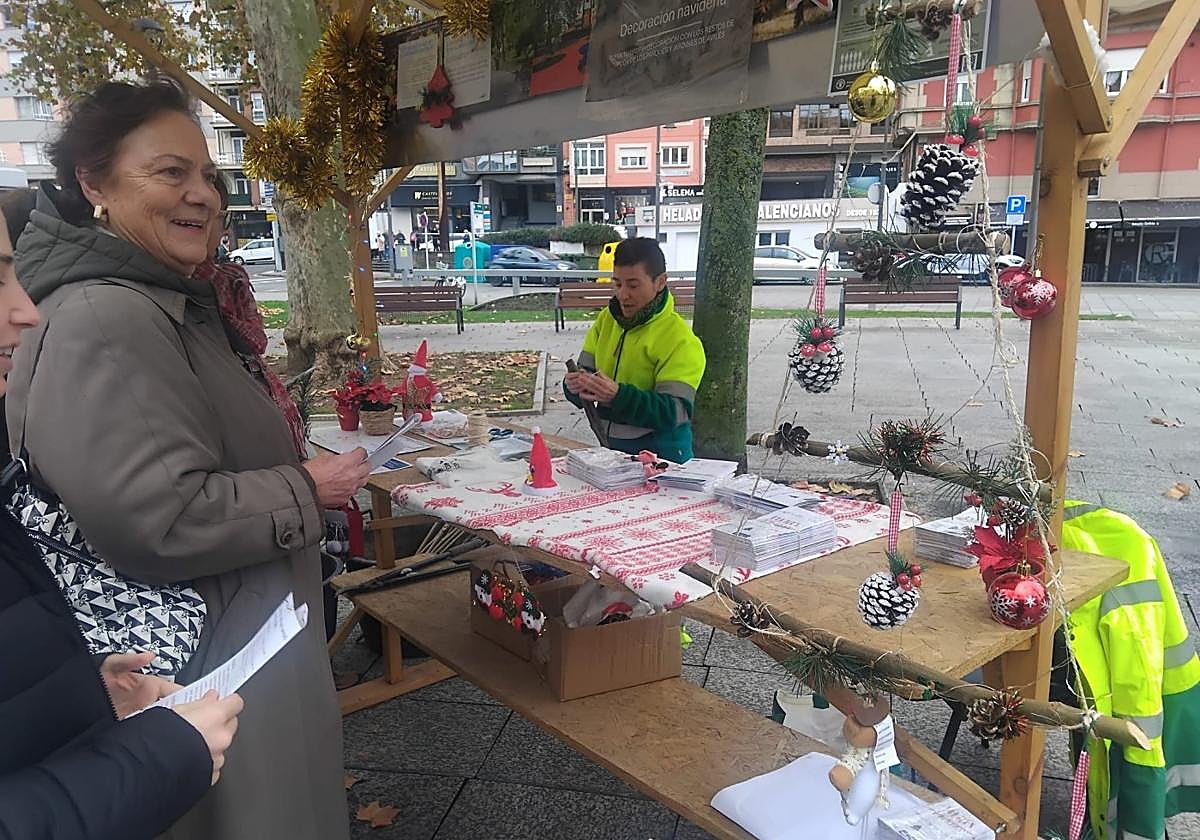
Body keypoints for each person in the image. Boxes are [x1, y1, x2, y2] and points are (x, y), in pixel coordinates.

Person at [5, 80, 369, 840]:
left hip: (238, 644)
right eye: (171, 173)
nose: (201, 194)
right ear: (93, 183)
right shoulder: (109, 315)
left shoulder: (159, 299)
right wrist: (306, 487)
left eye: (209, 175)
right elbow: (157, 517)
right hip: (214, 663)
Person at [0, 203, 244, 840]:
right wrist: (158, 758)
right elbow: (155, 512)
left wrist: (79, 691)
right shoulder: (100, 317)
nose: (25, 311)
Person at [563, 237, 706, 462]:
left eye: (633, 284)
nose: (622, 294)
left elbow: (675, 412)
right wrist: (573, 385)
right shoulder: (606, 320)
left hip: (664, 459)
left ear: (660, 282)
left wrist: (618, 396)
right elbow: (585, 374)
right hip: (613, 454)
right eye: (617, 283)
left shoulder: (680, 339)